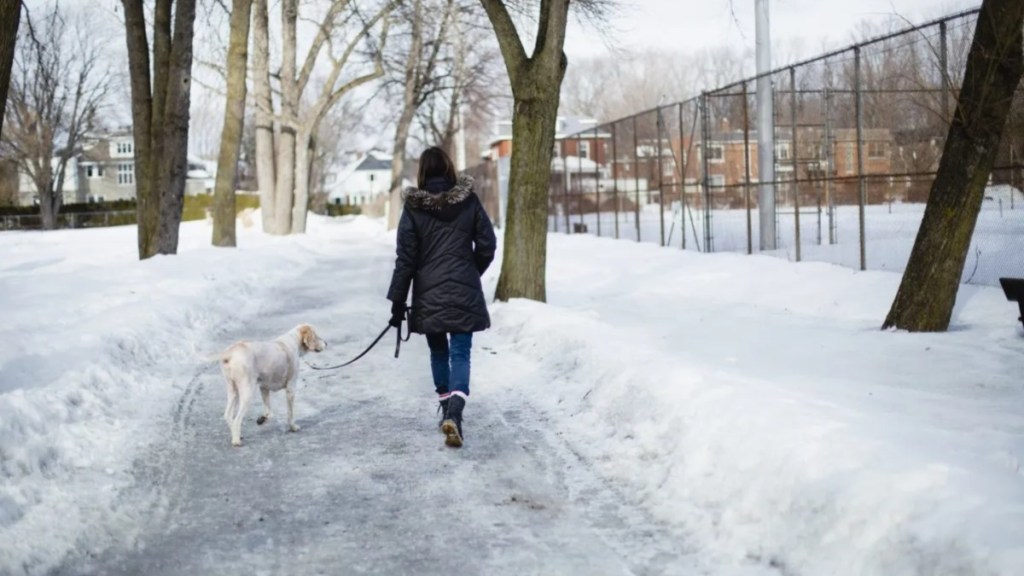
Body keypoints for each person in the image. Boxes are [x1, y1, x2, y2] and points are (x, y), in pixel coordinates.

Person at [386, 146, 497, 448]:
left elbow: (405, 259)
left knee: (439, 354)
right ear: (449, 168)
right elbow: (487, 244)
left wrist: (398, 302)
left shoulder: (413, 208)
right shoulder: (469, 201)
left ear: (422, 172)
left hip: (429, 294)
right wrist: (470, 271)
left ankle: (447, 408)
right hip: (464, 289)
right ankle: (456, 412)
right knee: (461, 353)